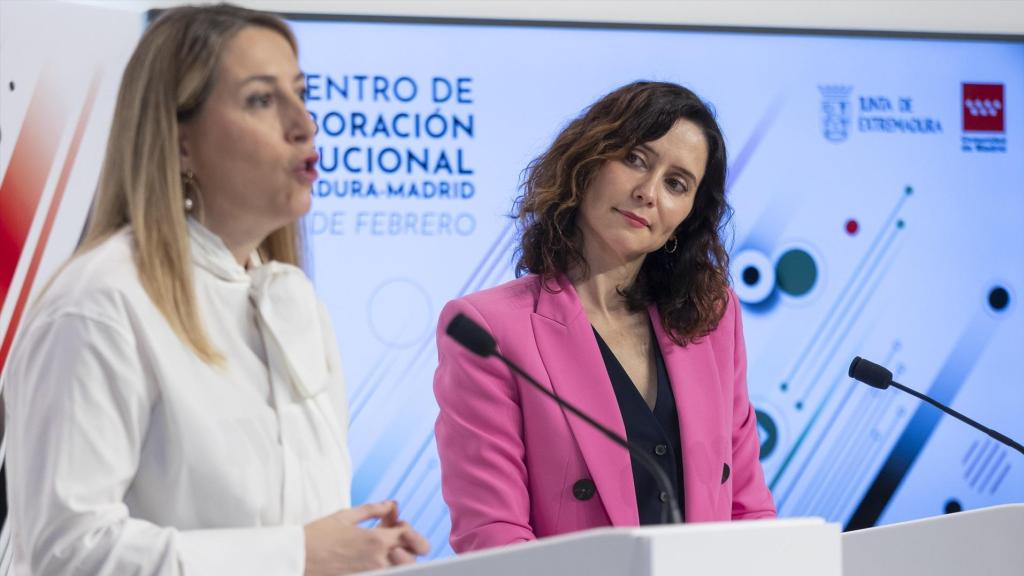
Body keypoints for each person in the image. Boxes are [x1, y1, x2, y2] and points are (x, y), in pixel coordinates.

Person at [2, 5, 427, 575]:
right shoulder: (99, 304)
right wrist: (298, 556)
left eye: (302, 93)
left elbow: (298, 530)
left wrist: (361, 552)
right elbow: (67, 553)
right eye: (261, 99)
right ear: (179, 145)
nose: (304, 123)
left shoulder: (295, 301)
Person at [433, 81, 776, 553]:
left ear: (687, 218)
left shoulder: (710, 317)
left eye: (676, 184)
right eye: (635, 158)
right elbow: (494, 537)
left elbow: (746, 508)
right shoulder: (492, 331)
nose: (648, 192)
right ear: (587, 163)